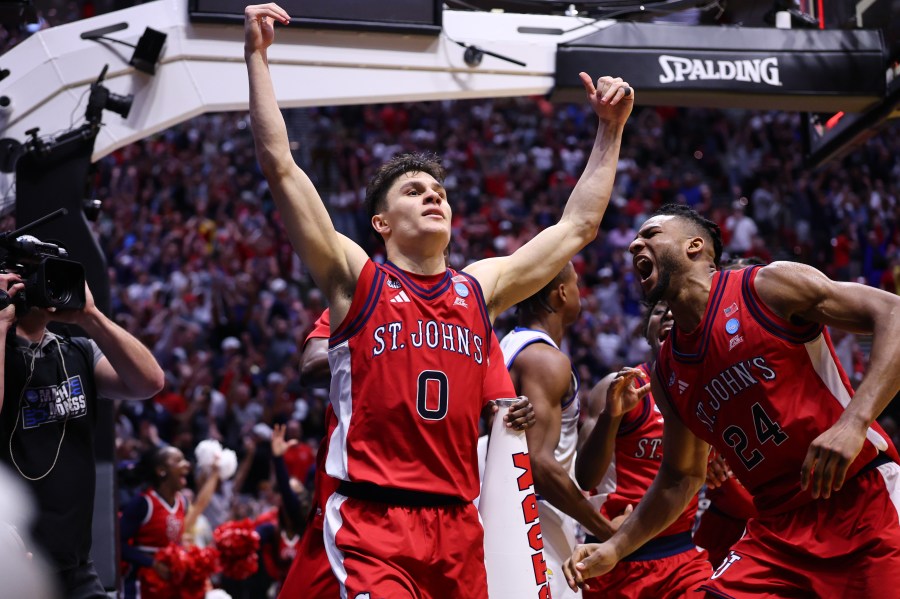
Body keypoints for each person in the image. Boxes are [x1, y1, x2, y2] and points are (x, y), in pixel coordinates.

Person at [245, 4, 632, 596]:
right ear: (380, 221)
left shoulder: (478, 288)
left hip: (458, 523)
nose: (433, 198)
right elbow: (282, 168)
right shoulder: (357, 281)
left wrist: (610, 131)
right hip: (375, 521)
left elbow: (578, 226)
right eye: (414, 190)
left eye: (440, 192)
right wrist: (256, 59)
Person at [564, 202, 900, 598]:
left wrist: (853, 422)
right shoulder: (668, 370)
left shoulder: (765, 286)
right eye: (635, 239)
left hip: (859, 501)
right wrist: (614, 549)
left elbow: (892, 312)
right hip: (775, 528)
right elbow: (680, 476)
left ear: (695, 246)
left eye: (651, 234)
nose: (635, 243)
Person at [0, 276, 165, 598]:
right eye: (25, 277)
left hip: (75, 565)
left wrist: (90, 316)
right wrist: (2, 320)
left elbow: (149, 382)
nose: (39, 284)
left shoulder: (77, 350)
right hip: (13, 566)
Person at [575, 299, 711, 597]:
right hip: (617, 557)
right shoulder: (619, 385)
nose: (670, 314)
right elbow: (586, 478)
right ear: (647, 330)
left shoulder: (709, 387)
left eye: (678, 308)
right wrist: (611, 417)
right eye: (660, 311)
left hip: (680, 554)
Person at [499, 261, 619, 598]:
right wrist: (607, 530)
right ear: (562, 292)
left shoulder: (508, 345)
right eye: (578, 284)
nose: (581, 293)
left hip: (509, 516)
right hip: (536, 523)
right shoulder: (545, 360)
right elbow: (538, 465)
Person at [120, 446, 219, 599]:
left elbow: (198, 507)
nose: (186, 464)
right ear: (161, 471)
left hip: (170, 587)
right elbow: (118, 545)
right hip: (141, 586)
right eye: (178, 460)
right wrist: (151, 563)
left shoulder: (182, 502)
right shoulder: (143, 502)